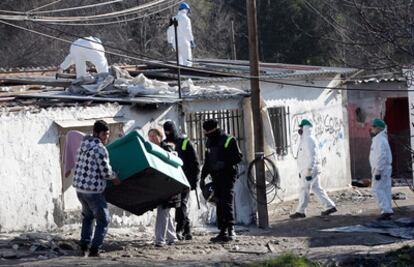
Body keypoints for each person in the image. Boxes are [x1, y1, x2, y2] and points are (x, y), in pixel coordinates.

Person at [72, 120, 121, 257]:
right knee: (103, 219)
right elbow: (106, 172)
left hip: (80, 188)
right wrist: (115, 177)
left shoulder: (83, 144)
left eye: (107, 134)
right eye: (104, 134)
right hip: (93, 191)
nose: (106, 138)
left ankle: (84, 245)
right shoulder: (100, 149)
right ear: (96, 133)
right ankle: (95, 249)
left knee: (87, 217)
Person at [200, 119, 243, 242]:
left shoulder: (229, 139)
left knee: (226, 202)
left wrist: (224, 163)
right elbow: (207, 161)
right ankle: (222, 231)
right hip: (215, 177)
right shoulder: (209, 141)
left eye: (206, 131)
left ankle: (231, 229)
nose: (205, 134)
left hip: (227, 175)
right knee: (218, 203)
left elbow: (238, 157)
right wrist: (203, 177)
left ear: (213, 129)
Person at [290, 119, 337, 219]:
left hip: (310, 170)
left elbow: (312, 156)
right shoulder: (305, 139)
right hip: (308, 169)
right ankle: (330, 206)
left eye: (301, 127)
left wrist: (308, 171)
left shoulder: (308, 140)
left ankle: (301, 211)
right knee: (316, 188)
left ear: (305, 128)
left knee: (304, 189)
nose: (300, 129)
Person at [163, 121, 200, 241]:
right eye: (166, 131)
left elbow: (195, 163)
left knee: (181, 205)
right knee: (180, 205)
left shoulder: (185, 142)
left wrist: (195, 181)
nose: (168, 133)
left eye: (170, 130)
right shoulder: (164, 143)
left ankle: (179, 229)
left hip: (185, 180)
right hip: (172, 179)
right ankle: (187, 231)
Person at [148, 128, 180, 247]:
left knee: (163, 212)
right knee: (166, 212)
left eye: (154, 136)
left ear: (160, 137)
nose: (151, 138)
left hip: (168, 186)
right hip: (161, 186)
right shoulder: (153, 149)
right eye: (149, 136)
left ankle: (160, 240)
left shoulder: (166, 148)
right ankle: (172, 237)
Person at [369, 118, 393, 220]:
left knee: (376, 189)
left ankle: (386, 210)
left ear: (378, 128)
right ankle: (388, 210)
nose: (371, 129)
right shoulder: (380, 138)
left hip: (381, 169)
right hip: (384, 168)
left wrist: (378, 170)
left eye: (373, 127)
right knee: (385, 189)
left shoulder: (379, 140)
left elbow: (381, 156)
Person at [167, 2, 195, 67]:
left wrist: (170, 42)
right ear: (186, 10)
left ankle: (180, 74)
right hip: (184, 42)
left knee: (179, 62)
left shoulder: (173, 18)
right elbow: (188, 31)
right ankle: (187, 75)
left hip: (175, 43)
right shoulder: (186, 19)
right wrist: (191, 40)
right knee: (188, 61)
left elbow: (169, 31)